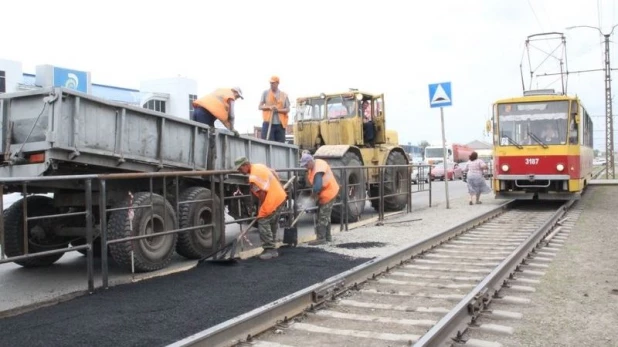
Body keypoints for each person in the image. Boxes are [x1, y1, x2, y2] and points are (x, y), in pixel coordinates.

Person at [235, 156, 287, 260]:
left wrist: (262, 208)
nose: (240, 171)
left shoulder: (253, 177)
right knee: (272, 222)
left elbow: (262, 193)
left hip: (272, 199)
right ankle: (272, 248)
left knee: (263, 221)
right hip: (280, 196)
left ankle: (269, 249)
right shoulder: (260, 166)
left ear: (246, 165)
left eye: (240, 169)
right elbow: (275, 174)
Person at [299, 153, 340, 245]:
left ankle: (321, 238)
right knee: (325, 215)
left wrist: (312, 196)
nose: (305, 167)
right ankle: (328, 237)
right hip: (326, 192)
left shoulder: (318, 169)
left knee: (322, 216)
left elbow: (317, 186)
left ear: (310, 161)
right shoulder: (315, 165)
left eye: (306, 165)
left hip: (329, 193)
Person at [258, 76, 290, 143]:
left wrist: (277, 110)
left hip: (280, 124)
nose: (271, 84)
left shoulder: (284, 95)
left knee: (280, 145)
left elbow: (287, 109)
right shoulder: (265, 93)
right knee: (267, 144)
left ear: (277, 83)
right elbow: (260, 107)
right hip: (268, 123)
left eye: (273, 83)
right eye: (270, 83)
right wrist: (269, 107)